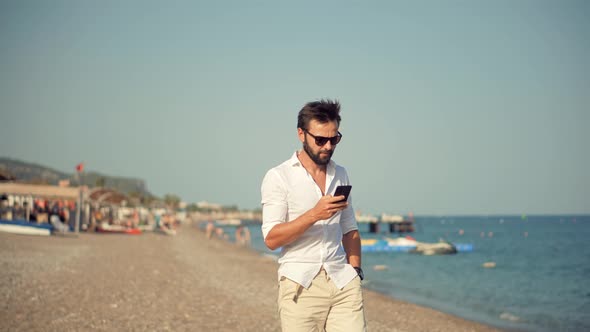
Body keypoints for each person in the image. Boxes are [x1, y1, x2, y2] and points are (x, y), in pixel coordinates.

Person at [260, 99, 366, 331]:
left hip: (343, 281)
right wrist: (314, 215)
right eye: (320, 140)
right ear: (301, 134)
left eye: (334, 139)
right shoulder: (279, 177)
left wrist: (355, 271)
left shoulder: (340, 173)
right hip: (301, 283)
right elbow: (271, 239)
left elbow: (350, 229)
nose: (328, 146)